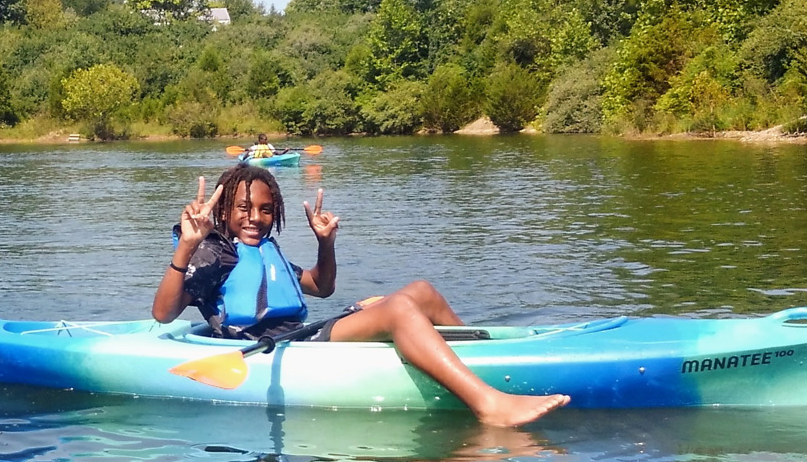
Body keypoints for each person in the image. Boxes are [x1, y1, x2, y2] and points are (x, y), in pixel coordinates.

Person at [152, 164, 570, 427]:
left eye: (264, 209)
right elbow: (164, 313)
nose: (255, 218)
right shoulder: (212, 253)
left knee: (420, 291)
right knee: (399, 309)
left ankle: (483, 366)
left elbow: (320, 286)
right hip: (270, 350)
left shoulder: (264, 252)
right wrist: (185, 246)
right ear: (223, 211)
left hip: (304, 336)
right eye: (243, 209)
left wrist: (325, 243)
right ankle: (489, 405)